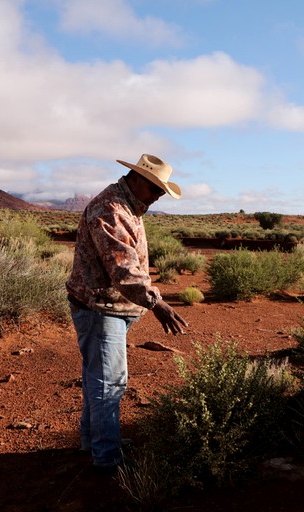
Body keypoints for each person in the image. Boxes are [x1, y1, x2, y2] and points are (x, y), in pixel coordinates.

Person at [66, 153, 189, 471]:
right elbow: (123, 270)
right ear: (136, 179)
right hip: (100, 309)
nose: (158, 196)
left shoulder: (129, 204)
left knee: (99, 377)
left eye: (162, 192)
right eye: (155, 189)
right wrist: (157, 303)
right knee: (109, 382)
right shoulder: (112, 209)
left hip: (109, 308)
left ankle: (93, 442)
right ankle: (106, 458)